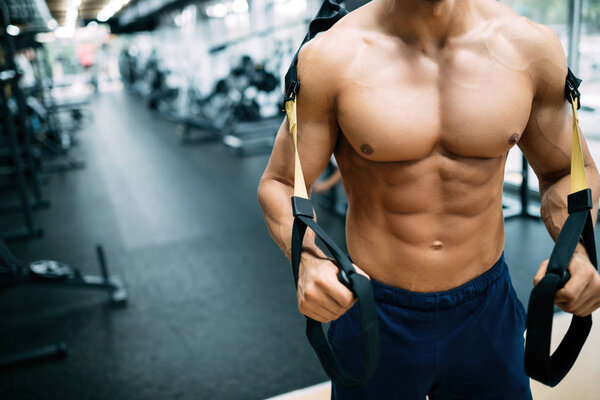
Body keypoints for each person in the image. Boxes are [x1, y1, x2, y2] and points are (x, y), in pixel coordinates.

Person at [257, 0, 600, 398]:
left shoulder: (527, 46)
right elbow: (280, 183)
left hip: (487, 310)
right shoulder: (331, 56)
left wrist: (575, 250)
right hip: (375, 310)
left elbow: (567, 172)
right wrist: (310, 260)